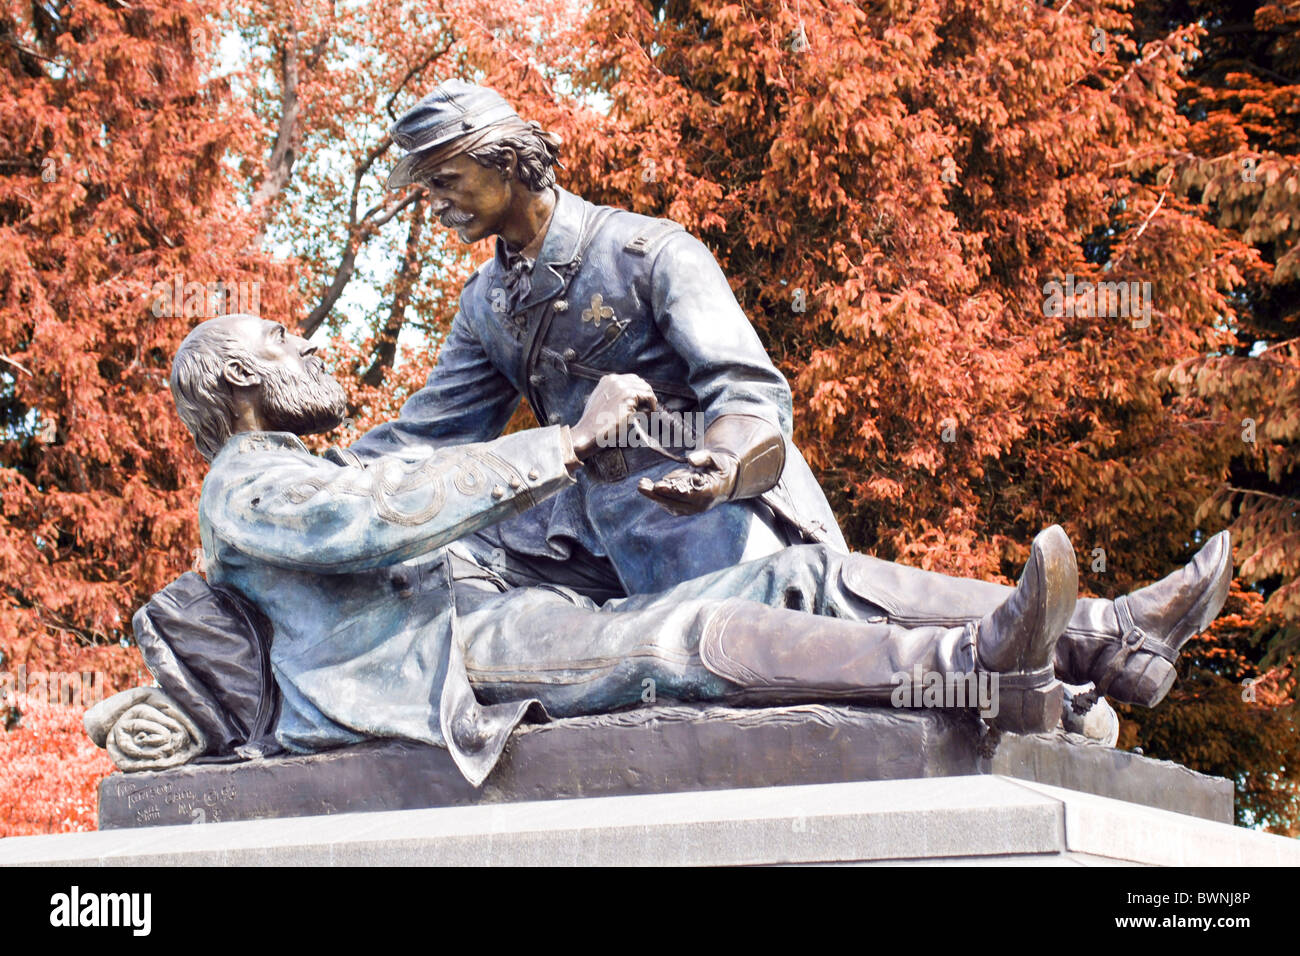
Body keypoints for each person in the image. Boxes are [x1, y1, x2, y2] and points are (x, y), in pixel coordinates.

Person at [344, 80, 1232, 709]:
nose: (435, 205)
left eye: (445, 183)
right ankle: (1082, 674)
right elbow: (430, 435)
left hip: (721, 518)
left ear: (510, 163)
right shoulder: (485, 304)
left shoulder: (650, 254)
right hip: (600, 566)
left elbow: (754, 397)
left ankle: (1103, 633)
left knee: (810, 592)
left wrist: (719, 467)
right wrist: (297, 478)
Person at [171, 314, 1083, 785]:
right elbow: (381, 510)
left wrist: (583, 477)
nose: (312, 347)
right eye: (285, 342)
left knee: (794, 573)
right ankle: (974, 663)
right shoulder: (248, 487)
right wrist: (563, 442)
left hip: (493, 626)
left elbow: (420, 504)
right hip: (433, 670)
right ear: (245, 378)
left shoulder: (304, 470)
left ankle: (1101, 639)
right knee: (680, 638)